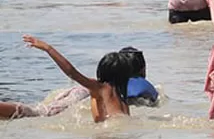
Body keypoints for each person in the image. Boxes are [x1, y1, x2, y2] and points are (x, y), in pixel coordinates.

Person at [0, 47, 157, 119]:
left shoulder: (116, 91)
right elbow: (71, 72)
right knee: (36, 113)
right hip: (80, 94)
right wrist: (48, 49)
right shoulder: (109, 89)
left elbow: (72, 73)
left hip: (79, 92)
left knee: (37, 111)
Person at [21, 35, 132, 123]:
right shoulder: (122, 93)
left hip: (108, 133)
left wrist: (48, 48)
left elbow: (71, 72)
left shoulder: (100, 87)